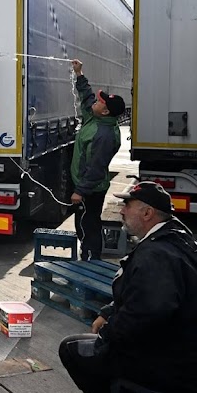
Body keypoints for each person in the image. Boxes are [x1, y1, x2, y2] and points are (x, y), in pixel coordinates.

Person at [58, 181, 197, 393]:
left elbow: (145, 314)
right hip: (194, 356)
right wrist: (109, 312)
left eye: (128, 205)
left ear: (147, 213)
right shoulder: (174, 238)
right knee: (107, 344)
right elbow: (144, 294)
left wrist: (107, 337)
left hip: (179, 365)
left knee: (72, 349)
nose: (121, 210)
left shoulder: (157, 254)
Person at [69, 59, 125, 261]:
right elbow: (86, 97)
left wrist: (80, 191)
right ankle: (89, 256)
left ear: (106, 111)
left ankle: (91, 260)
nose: (96, 101)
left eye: (100, 101)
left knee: (88, 225)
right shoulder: (96, 118)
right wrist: (79, 73)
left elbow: (95, 167)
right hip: (87, 186)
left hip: (91, 189)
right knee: (83, 224)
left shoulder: (104, 135)